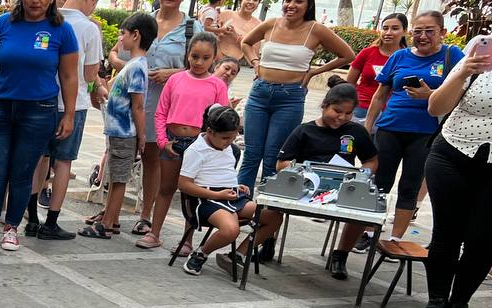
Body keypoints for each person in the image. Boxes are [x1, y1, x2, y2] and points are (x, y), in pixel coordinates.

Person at [0, 0, 79, 252]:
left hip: (40, 111)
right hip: (0, 107)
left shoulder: (62, 30)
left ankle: (12, 228)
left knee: (22, 172)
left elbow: (69, 76)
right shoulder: (3, 24)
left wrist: (68, 114)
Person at [227, 82, 377, 278]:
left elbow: (371, 160)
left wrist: (363, 175)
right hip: (304, 186)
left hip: (340, 186)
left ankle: (340, 255)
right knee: (272, 201)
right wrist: (303, 170)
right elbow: (281, 162)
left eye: (348, 113)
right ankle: (267, 242)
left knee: (361, 208)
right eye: (337, 111)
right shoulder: (305, 130)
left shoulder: (355, 132)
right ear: (324, 105)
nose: (341, 118)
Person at [238, 0, 354, 195]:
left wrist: (313, 72)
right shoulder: (271, 24)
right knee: (252, 154)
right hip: (260, 93)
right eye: (288, 0)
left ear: (308, 5)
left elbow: (347, 55)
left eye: (298, 1)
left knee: (274, 155)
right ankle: (239, 205)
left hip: (289, 98)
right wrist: (256, 62)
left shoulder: (315, 29)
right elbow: (246, 42)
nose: (291, 5)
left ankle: (264, 211)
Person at [109, 0, 200, 237]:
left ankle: (145, 214)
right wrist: (124, 66)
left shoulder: (192, 29)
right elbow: (116, 52)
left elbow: (201, 66)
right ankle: (110, 213)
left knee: (153, 158)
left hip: (167, 102)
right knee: (121, 155)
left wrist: (170, 74)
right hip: (133, 101)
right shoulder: (144, 22)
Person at [364, 11, 464, 243]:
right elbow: (380, 95)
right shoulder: (399, 56)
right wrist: (368, 126)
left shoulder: (453, 55)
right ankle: (369, 232)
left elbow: (463, 91)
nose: (423, 36)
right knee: (378, 182)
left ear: (442, 32)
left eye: (430, 31)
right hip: (390, 127)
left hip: (426, 133)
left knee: (410, 185)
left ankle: (395, 240)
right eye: (418, 31)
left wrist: (431, 96)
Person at [420, 35, 492, 308]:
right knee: (447, 233)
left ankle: (459, 303)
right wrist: (464, 71)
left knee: (483, 240)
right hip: (452, 153)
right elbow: (435, 107)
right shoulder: (479, 57)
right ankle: (436, 299)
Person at [27, 0, 102, 240]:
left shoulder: (48, 19)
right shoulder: (88, 28)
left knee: (38, 159)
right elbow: (90, 75)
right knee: (63, 163)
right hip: (73, 105)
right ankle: (52, 221)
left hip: (40, 99)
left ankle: (30, 217)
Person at [144, 32, 231, 252]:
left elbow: (221, 118)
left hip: (200, 145)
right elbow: (161, 113)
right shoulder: (176, 79)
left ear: (214, 58)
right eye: (195, 56)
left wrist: (210, 146)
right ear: (188, 55)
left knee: (192, 192)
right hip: (172, 141)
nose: (199, 62)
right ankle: (154, 233)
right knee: (165, 188)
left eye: (205, 58)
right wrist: (163, 141)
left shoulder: (217, 85)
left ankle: (187, 240)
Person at [79, 12, 155, 240]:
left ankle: (108, 223)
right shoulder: (133, 65)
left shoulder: (138, 67)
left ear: (136, 35)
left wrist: (141, 136)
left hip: (125, 132)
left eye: (123, 33)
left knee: (119, 179)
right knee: (114, 176)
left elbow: (138, 106)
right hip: (118, 131)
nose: (120, 38)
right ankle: (109, 219)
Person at [179, 106, 254, 275]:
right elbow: (184, 184)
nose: (228, 142)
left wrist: (236, 185)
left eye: (233, 138)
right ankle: (200, 253)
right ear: (210, 131)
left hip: (229, 195)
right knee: (231, 230)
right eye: (225, 138)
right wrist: (216, 194)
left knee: (272, 215)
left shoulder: (228, 147)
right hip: (206, 199)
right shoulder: (196, 151)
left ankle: (237, 255)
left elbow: (222, 172)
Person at [347, 13, 407, 120]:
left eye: (395, 28)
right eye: (385, 28)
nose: (388, 33)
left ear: (405, 31)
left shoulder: (408, 57)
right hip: (360, 109)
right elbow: (350, 82)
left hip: (391, 113)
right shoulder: (367, 53)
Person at [214, 0, 262, 70]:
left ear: (258, 3)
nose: (251, 2)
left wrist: (236, 37)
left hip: (236, 68)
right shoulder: (225, 14)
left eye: (255, 0)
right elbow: (211, 35)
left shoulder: (258, 25)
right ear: (241, 0)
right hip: (215, 60)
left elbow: (254, 55)